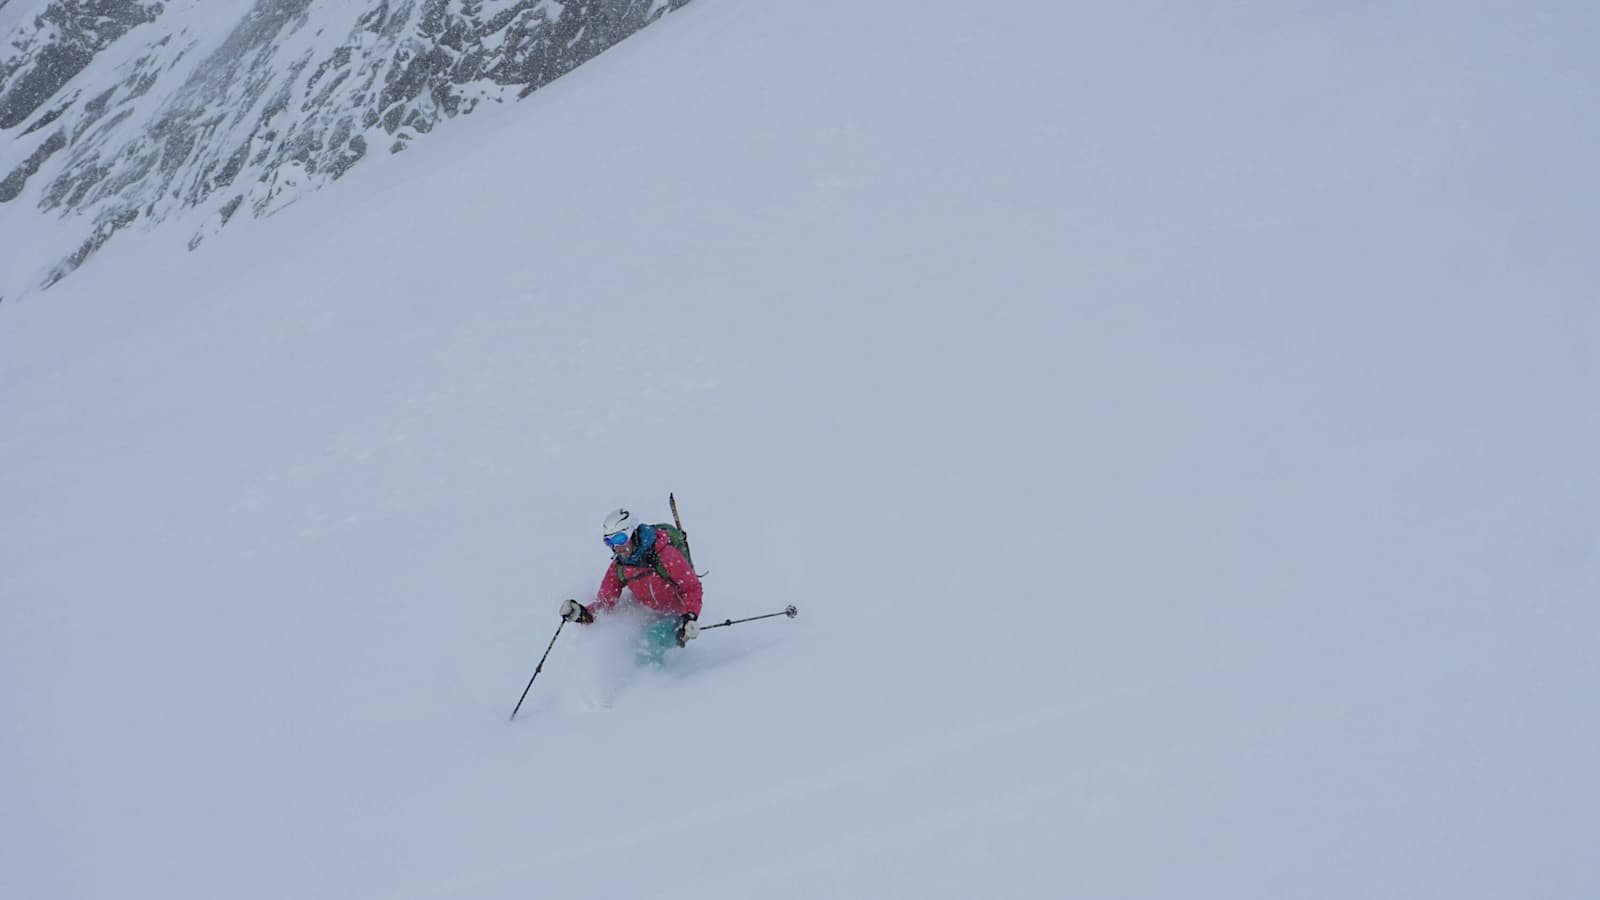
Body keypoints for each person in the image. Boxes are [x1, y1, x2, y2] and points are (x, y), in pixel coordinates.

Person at [559, 507, 703, 666]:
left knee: (649, 645)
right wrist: (581, 614)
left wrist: (689, 617)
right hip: (650, 614)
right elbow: (605, 603)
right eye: (609, 541)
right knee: (625, 645)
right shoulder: (619, 567)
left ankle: (662, 686)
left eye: (620, 539)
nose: (616, 547)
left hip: (679, 615)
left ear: (633, 533)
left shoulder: (664, 554)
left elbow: (692, 587)